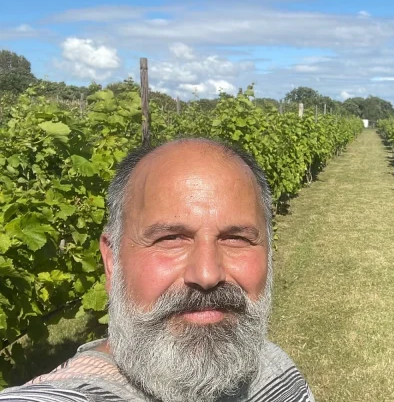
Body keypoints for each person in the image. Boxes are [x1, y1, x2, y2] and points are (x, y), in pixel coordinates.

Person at [0, 138, 315, 402]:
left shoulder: (276, 372)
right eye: (171, 239)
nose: (206, 274)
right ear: (112, 262)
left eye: (236, 239)